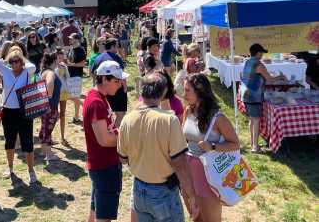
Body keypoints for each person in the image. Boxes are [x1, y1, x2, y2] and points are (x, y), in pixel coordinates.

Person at [118, 72, 198, 222]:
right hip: (163, 191)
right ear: (163, 92)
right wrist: (191, 195)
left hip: (138, 189)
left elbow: (122, 158)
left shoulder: (127, 120)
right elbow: (180, 163)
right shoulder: (169, 120)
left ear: (142, 91)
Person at [183, 73, 240, 222]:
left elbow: (235, 144)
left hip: (208, 173)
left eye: (187, 90)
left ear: (200, 91)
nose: (184, 95)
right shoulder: (188, 111)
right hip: (189, 171)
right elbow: (185, 138)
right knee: (195, 218)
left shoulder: (218, 118)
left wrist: (213, 146)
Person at [83, 61, 128, 222]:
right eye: (116, 81)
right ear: (104, 79)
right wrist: (127, 139)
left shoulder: (100, 97)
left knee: (96, 211)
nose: (120, 85)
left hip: (102, 165)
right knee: (104, 217)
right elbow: (104, 139)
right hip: (105, 166)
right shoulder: (96, 102)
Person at [0, 46, 38, 183]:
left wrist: (19, 55)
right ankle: (10, 167)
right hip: (9, 111)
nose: (14, 64)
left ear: (22, 61)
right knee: (9, 141)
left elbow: (33, 65)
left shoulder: (28, 70)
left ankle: (31, 170)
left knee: (27, 142)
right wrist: (7, 59)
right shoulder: (5, 70)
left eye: (17, 61)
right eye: (12, 61)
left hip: (24, 111)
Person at [240, 43, 278, 153]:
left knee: (252, 120)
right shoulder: (259, 65)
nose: (262, 55)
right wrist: (281, 76)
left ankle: (253, 143)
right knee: (255, 120)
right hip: (253, 96)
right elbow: (270, 79)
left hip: (245, 93)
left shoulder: (247, 61)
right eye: (261, 53)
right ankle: (255, 147)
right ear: (257, 53)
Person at [94, 38, 128, 127]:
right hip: (117, 89)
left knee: (106, 114)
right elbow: (120, 75)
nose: (117, 48)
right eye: (117, 46)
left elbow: (93, 73)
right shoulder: (116, 58)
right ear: (112, 46)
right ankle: (114, 134)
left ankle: (108, 131)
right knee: (120, 115)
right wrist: (124, 88)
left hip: (102, 89)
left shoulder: (98, 58)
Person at [39, 52, 62, 162]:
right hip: (50, 106)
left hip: (45, 105)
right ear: (55, 60)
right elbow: (49, 83)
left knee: (45, 127)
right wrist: (49, 95)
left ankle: (45, 150)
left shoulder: (44, 71)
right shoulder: (50, 73)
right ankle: (48, 154)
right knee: (47, 128)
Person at [67, 33, 87, 123]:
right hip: (69, 75)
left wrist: (72, 64)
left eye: (71, 38)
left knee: (72, 96)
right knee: (74, 96)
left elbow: (83, 64)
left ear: (77, 39)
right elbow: (69, 60)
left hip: (76, 76)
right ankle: (76, 117)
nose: (70, 39)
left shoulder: (81, 50)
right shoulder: (71, 48)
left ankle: (84, 107)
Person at [55, 47, 70, 145]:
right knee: (53, 114)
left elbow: (68, 77)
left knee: (63, 114)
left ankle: (62, 136)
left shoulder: (64, 65)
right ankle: (48, 136)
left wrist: (65, 69)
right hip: (55, 93)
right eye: (59, 58)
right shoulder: (52, 67)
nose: (60, 60)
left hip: (63, 91)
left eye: (62, 57)